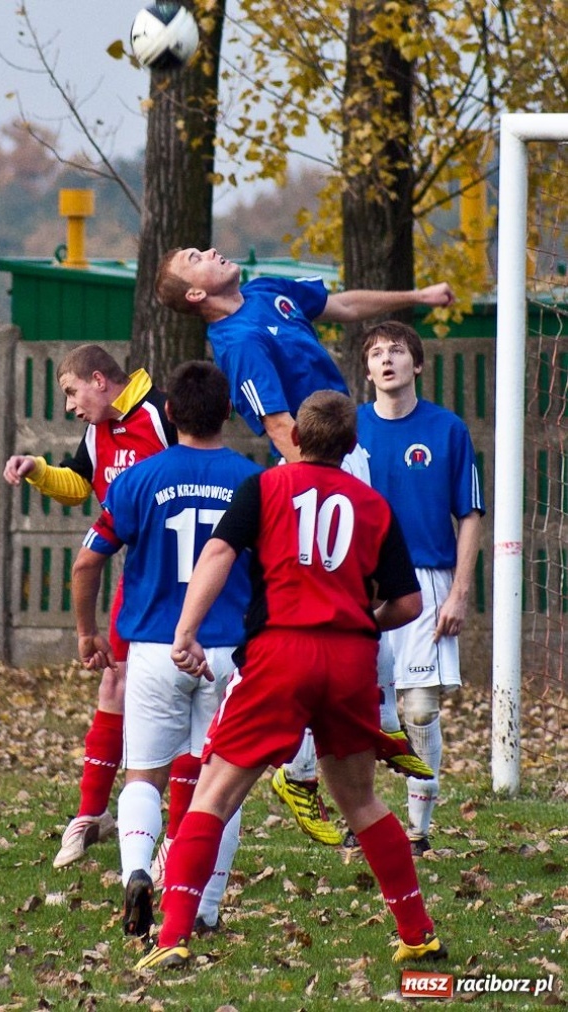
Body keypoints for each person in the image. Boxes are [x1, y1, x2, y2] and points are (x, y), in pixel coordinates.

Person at [135, 389, 447, 972]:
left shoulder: (263, 486)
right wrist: (361, 623)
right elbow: (406, 604)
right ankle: (417, 931)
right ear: (353, 445)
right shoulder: (374, 506)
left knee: (215, 794)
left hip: (280, 653)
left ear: (296, 438)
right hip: (350, 661)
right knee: (360, 799)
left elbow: (218, 555)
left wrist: (185, 632)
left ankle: (172, 935)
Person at [154, 247, 454, 846]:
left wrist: (415, 299)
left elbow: (340, 304)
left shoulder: (266, 288)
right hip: (319, 471)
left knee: (368, 623)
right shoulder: (237, 344)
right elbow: (279, 427)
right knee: (345, 622)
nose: (211, 250)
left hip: (347, 457)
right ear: (194, 294)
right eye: (196, 256)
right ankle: (310, 762)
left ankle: (361, 736)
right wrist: (324, 486)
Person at [71, 360, 262, 941]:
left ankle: (135, 871)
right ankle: (203, 908)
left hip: (155, 649)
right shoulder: (255, 481)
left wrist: (87, 631)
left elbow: (88, 560)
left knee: (143, 779)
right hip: (228, 653)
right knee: (218, 786)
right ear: (228, 412)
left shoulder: (139, 479)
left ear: (170, 413)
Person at [3, 343, 186, 870]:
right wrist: (37, 469)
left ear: (100, 380)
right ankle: (90, 816)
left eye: (71, 391)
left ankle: (177, 834)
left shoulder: (162, 414)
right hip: (140, 579)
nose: (69, 406)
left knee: (186, 699)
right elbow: (80, 485)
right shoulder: (97, 429)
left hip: (191, 578)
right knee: (114, 682)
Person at [351, 321, 484, 857]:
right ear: (367, 370)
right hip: (364, 587)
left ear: (418, 365)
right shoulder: (351, 429)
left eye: (398, 351)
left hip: (428, 582)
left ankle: (418, 829)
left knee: (421, 711)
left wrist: (460, 593)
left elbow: (470, 515)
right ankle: (366, 821)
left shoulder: (448, 429)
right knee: (364, 711)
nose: (387, 360)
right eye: (377, 354)